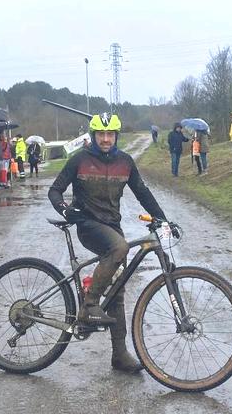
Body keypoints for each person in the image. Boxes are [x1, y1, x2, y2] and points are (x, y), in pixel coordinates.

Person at [48, 112, 173, 373]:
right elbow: (55, 190)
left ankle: (120, 355)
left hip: (112, 226)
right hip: (88, 225)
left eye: (110, 134)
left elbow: (142, 192)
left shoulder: (125, 162)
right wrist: (65, 210)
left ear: (116, 136)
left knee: (118, 287)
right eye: (100, 134)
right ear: (93, 135)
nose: (105, 139)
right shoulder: (79, 159)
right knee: (120, 247)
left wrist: (163, 219)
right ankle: (89, 307)